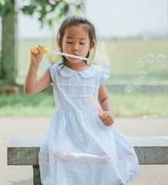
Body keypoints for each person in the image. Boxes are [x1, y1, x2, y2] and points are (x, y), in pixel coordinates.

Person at [24, 16, 140, 185]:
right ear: (59, 43)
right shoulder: (55, 72)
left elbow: (105, 98)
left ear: (90, 46)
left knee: (105, 157)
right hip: (64, 132)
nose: (75, 48)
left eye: (81, 42)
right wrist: (34, 64)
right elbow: (30, 89)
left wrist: (109, 114)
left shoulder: (95, 73)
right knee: (61, 158)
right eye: (69, 42)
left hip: (94, 129)